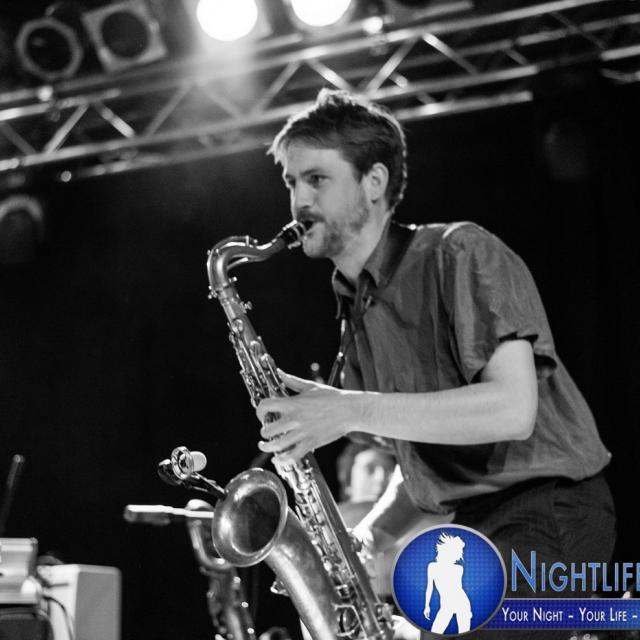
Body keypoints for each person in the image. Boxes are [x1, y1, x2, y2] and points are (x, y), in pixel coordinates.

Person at [255, 89, 616, 638]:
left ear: (374, 182)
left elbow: (512, 410)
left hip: (549, 510)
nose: (299, 199)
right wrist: (372, 535)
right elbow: (421, 455)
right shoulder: (357, 306)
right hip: (471, 526)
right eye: (291, 183)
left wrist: (349, 409)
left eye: (317, 179)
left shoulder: (459, 252)